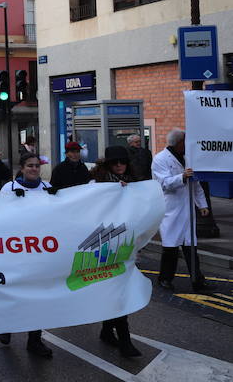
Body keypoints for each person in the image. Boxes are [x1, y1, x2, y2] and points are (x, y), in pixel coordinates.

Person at [0, 152, 55, 358]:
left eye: (36, 166)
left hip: (40, 250)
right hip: (15, 250)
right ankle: (6, 325)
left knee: (38, 295)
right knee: (13, 291)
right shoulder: (10, 188)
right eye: (29, 166)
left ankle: (34, 339)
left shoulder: (48, 188)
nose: (33, 169)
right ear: (21, 168)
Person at [89, 146, 142, 357]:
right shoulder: (97, 184)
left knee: (119, 290)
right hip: (103, 245)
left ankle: (106, 330)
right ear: (107, 164)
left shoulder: (134, 182)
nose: (120, 165)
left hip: (126, 244)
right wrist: (112, 193)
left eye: (123, 161)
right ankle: (125, 341)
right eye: (115, 162)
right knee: (117, 291)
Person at [152, 129, 212, 293]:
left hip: (187, 210)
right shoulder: (160, 159)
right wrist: (182, 177)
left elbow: (196, 183)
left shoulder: (188, 158)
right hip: (171, 210)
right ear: (178, 143)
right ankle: (165, 279)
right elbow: (163, 183)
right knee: (170, 248)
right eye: (185, 141)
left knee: (191, 248)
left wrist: (202, 205)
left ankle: (197, 280)